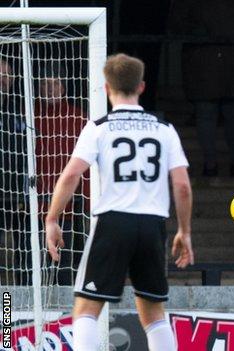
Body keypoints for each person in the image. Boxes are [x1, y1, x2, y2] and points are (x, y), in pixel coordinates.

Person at [44, 54, 194, 351]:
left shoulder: (99, 127)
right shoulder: (164, 129)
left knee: (86, 310)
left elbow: (72, 173)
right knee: (153, 314)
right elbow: (182, 186)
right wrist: (184, 231)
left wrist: (51, 218)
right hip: (152, 225)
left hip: (113, 221)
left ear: (106, 87)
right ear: (141, 87)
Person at [168, 0, 234, 177]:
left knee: (219, 118)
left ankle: (213, 164)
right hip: (225, 67)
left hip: (211, 68)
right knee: (229, 118)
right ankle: (233, 162)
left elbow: (175, 24)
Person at [35, 66, 88, 286]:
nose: (50, 88)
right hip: (31, 206)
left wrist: (86, 199)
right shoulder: (28, 115)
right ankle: (13, 317)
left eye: (55, 83)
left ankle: (66, 316)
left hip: (69, 208)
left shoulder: (79, 118)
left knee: (64, 270)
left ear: (64, 87)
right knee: (29, 268)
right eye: (45, 84)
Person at [0, 59, 29, 285]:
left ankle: (19, 305)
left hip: (18, 194)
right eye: (0, 74)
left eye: (8, 74)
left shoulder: (22, 107)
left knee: (24, 253)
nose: (4, 78)